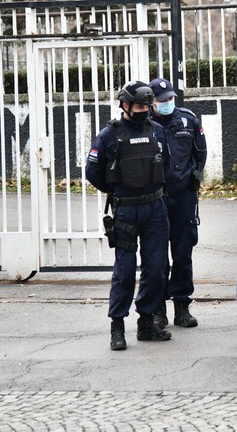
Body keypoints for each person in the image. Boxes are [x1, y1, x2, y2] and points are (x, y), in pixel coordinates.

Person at [85, 80, 173, 351]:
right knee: (124, 271)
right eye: (139, 106)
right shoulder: (109, 135)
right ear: (125, 106)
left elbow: (166, 163)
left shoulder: (157, 131)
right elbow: (92, 172)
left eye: (148, 105)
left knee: (156, 268)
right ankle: (117, 327)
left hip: (156, 209)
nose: (145, 110)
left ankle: (146, 323)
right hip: (126, 209)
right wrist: (119, 192)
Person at [148, 77, 207, 329]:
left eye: (171, 98)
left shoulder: (188, 119)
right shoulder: (144, 124)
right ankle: (159, 309)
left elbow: (200, 153)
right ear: (151, 102)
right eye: (162, 100)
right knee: (157, 257)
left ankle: (182, 307)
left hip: (183, 197)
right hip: (156, 198)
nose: (168, 103)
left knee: (183, 252)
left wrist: (192, 180)